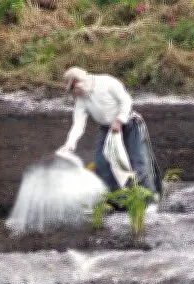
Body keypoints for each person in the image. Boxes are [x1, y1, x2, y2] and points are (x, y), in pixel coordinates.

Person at [57, 67, 161, 198]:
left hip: (130, 124)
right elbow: (78, 124)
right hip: (107, 129)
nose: (74, 94)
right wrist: (69, 144)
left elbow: (126, 100)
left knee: (139, 161)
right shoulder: (81, 100)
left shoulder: (107, 82)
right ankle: (117, 199)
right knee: (102, 164)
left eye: (73, 89)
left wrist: (119, 119)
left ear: (76, 82)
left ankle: (149, 198)